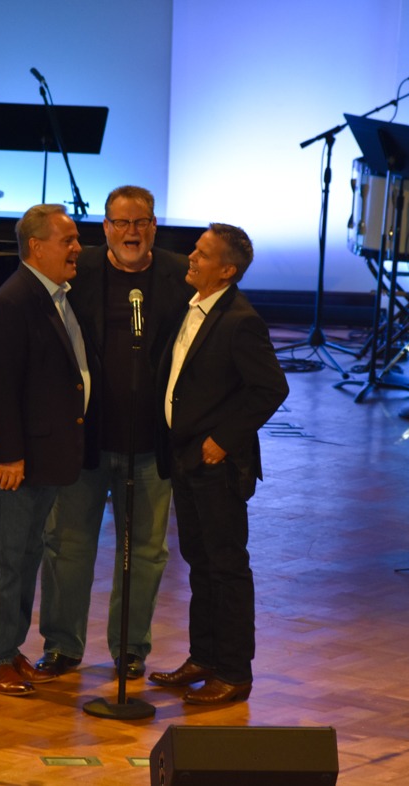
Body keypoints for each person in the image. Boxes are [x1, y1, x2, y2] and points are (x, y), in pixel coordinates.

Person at [36, 186, 193, 680]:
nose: (131, 232)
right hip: (85, 440)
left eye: (141, 222)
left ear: (154, 226)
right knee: (67, 545)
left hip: (151, 444)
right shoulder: (77, 272)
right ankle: (62, 646)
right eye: (121, 223)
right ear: (104, 228)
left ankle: (130, 648)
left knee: (145, 552)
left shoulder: (179, 275)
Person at [148, 222, 289, 705]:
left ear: (226, 271)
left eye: (203, 254)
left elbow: (271, 388)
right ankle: (204, 657)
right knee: (200, 563)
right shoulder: (193, 307)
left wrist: (224, 439)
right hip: (185, 457)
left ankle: (233, 672)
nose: (191, 257)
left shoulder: (240, 321)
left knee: (226, 568)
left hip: (217, 466)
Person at [0, 203, 94, 697]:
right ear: (37, 247)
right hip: (15, 462)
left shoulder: (51, 294)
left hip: (42, 457)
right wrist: (9, 455)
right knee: (6, 562)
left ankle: (9, 649)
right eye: (69, 240)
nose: (78, 248)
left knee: (26, 557)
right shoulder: (14, 301)